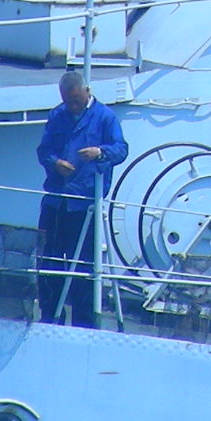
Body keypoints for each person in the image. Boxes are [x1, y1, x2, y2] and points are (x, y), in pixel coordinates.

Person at [35, 69, 129, 327]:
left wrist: (100, 151)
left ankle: (84, 323)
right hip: (56, 201)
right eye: (68, 101)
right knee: (50, 261)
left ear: (87, 92)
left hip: (85, 205)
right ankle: (49, 316)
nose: (72, 106)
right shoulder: (57, 115)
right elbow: (43, 150)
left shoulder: (105, 117)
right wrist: (55, 163)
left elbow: (121, 149)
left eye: (76, 100)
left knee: (84, 267)